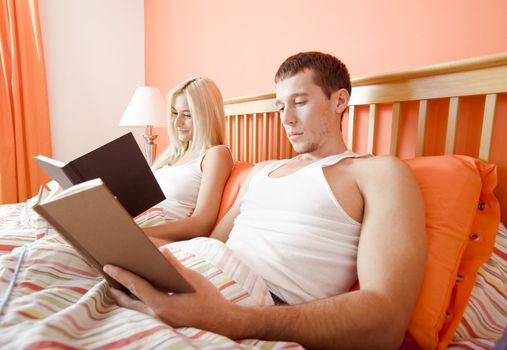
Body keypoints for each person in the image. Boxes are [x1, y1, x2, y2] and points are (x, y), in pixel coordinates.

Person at [104, 52, 427, 349]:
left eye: (299, 102)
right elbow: (211, 244)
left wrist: (226, 317)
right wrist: (139, 247)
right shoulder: (261, 172)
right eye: (280, 107)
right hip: (200, 271)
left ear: (339, 100)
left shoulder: (378, 172)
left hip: (249, 303)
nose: (286, 119)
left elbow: (387, 322)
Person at [144, 77, 233, 243]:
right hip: (136, 224)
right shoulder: (173, 153)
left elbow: (201, 224)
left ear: (207, 116)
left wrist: (141, 233)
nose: (177, 122)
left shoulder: (215, 154)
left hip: (152, 236)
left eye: (187, 115)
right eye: (174, 113)